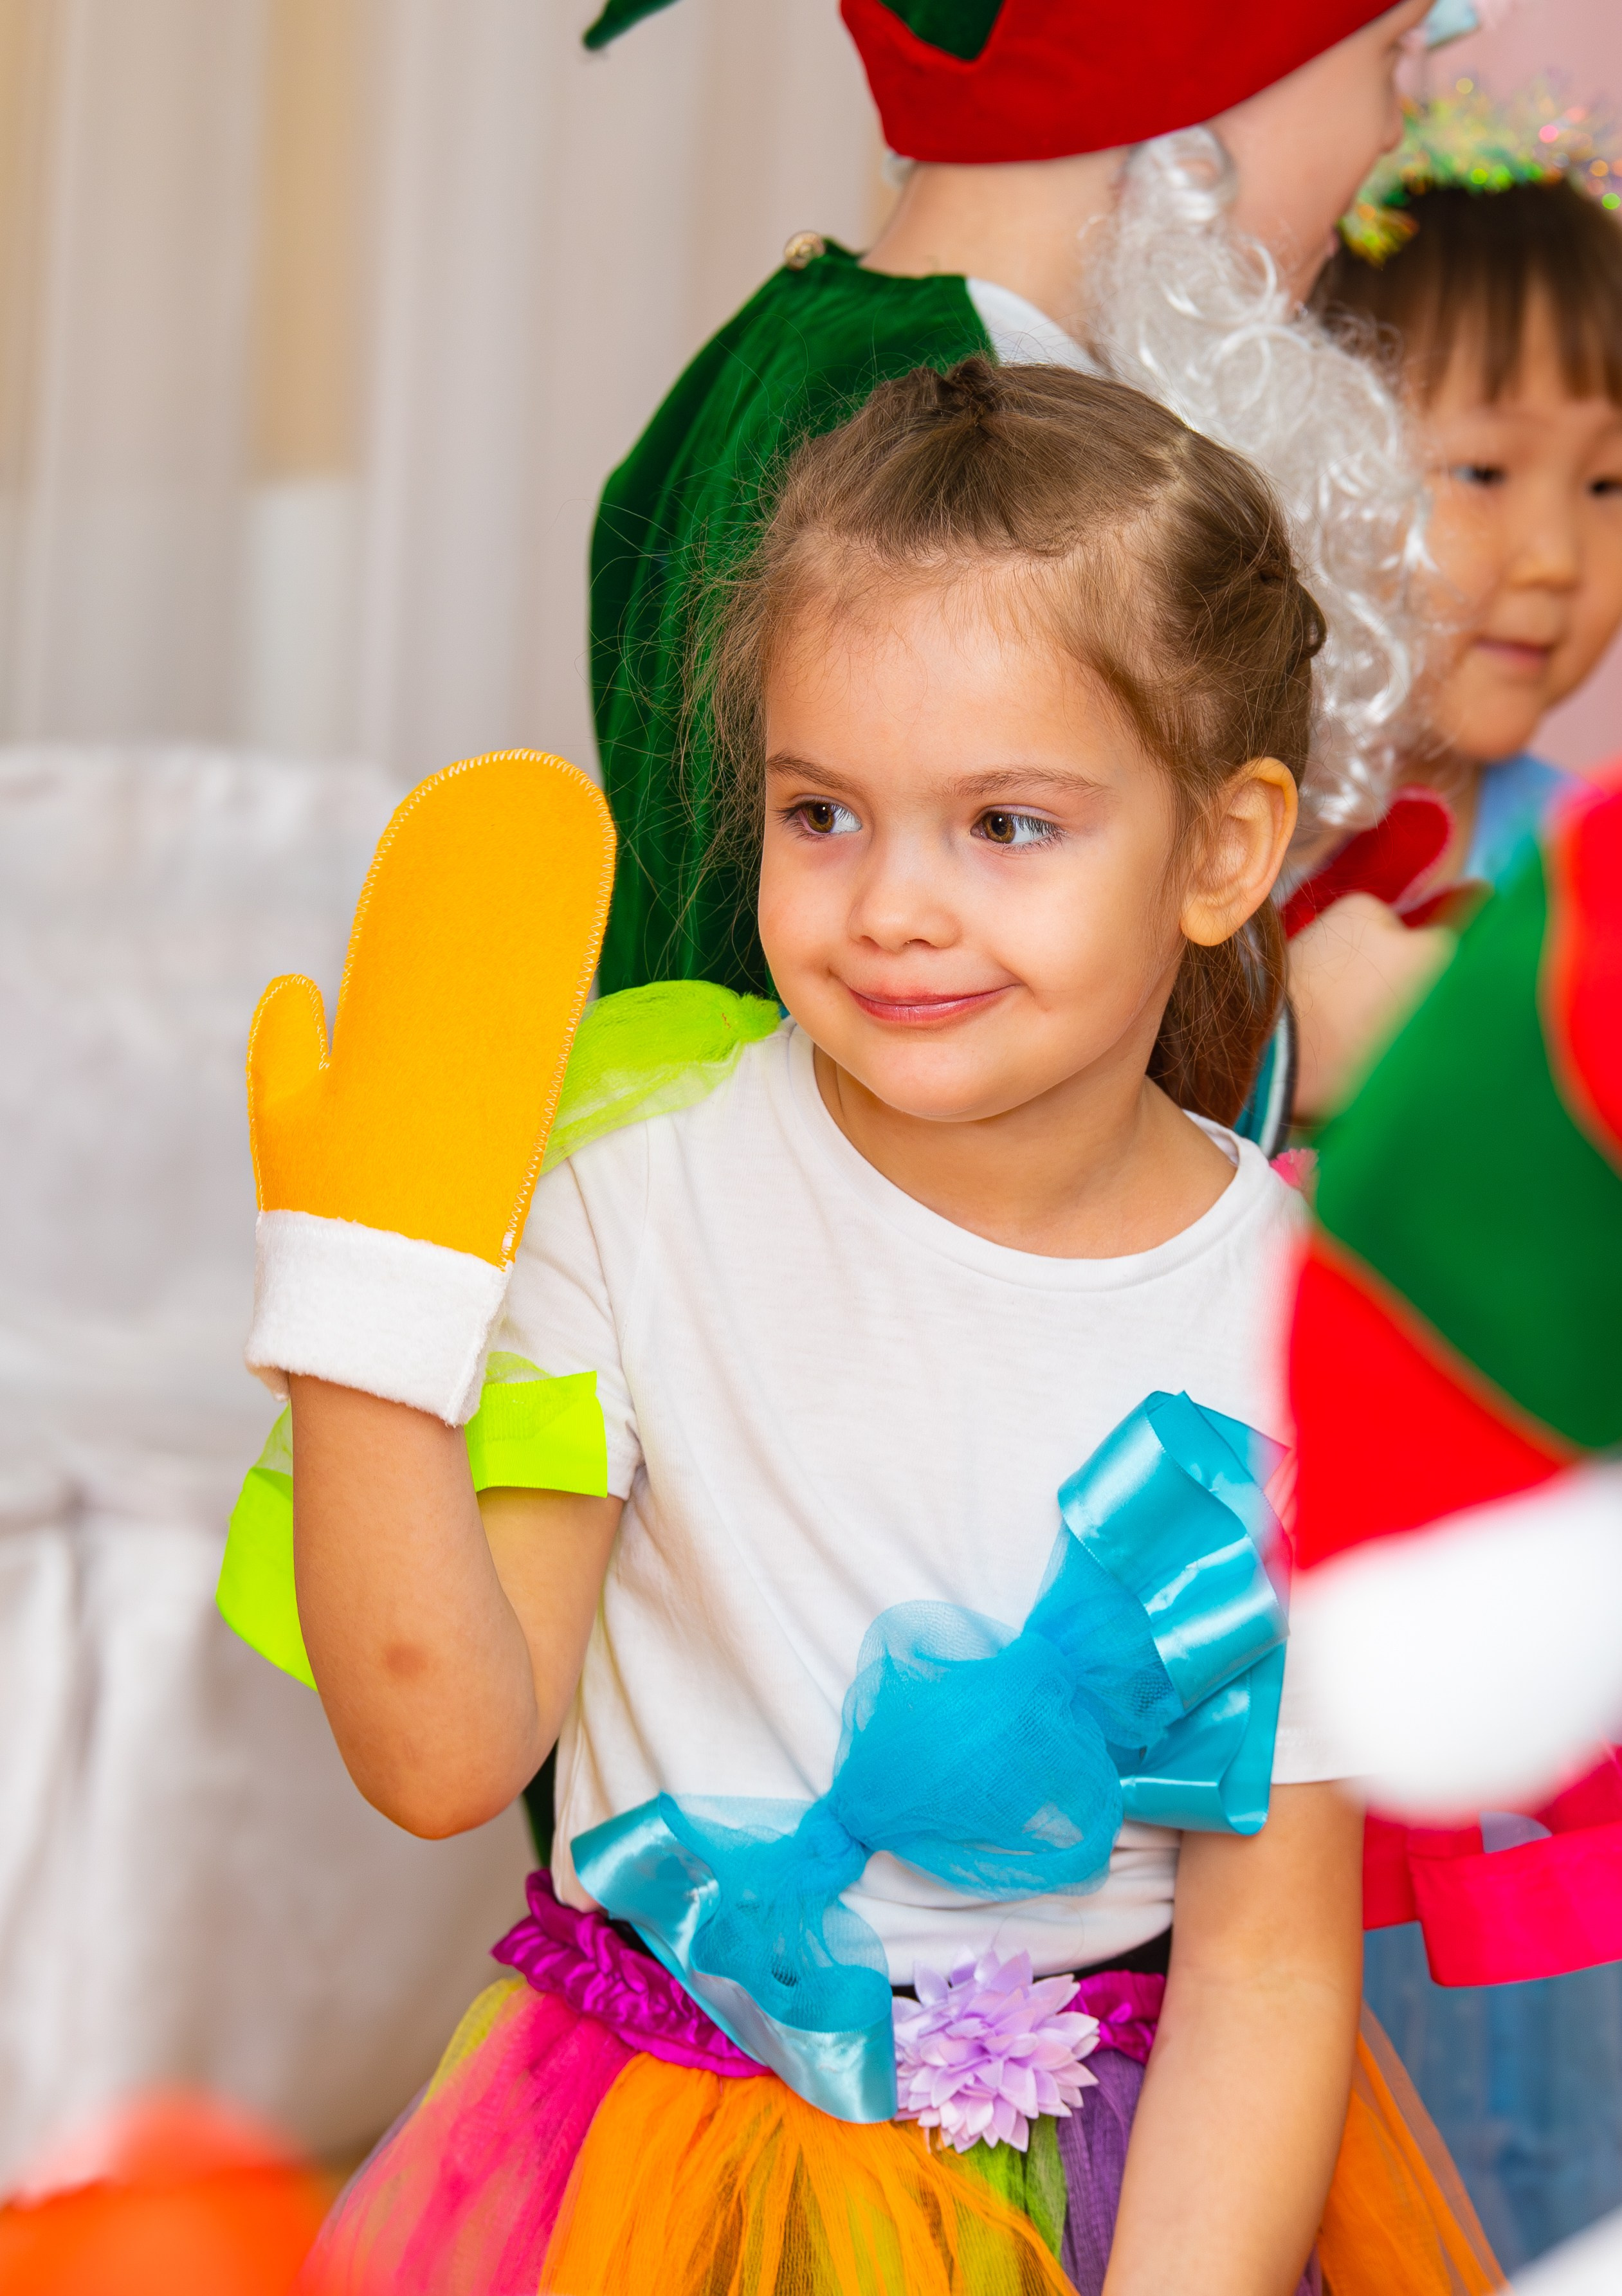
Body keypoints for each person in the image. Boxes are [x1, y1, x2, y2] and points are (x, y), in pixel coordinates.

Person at [244, 365, 1499, 2293]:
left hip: (1109, 2183)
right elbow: (443, 1754)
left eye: (1005, 824)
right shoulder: (634, 1197)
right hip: (652, 2166)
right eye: (820, 811)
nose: (892, 904)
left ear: (1223, 852)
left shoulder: (1301, 1329)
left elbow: (1263, 1958)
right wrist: (366, 1317)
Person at [585, 0, 1448, 1080]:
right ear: (1194, 70)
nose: (1392, 127)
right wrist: (1289, 1038)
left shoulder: (778, 335)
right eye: (1389, 54)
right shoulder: (990, 460)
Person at [1288, 85, 1622, 1121]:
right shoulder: (1180, 826)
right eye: (1482, 473)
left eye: (1608, 486)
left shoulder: (1582, 882)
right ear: (1309, 457)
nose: (1558, 560)